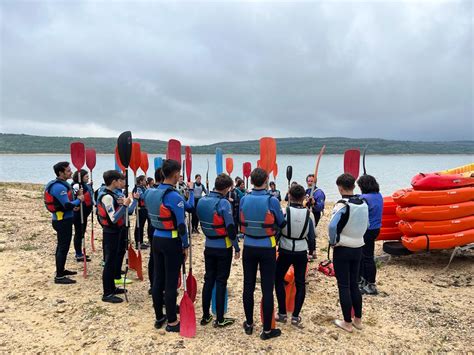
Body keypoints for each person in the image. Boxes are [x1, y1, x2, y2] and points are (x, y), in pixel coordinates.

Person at [144, 159, 194, 332]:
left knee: (158, 278)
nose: (180, 176)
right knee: (171, 282)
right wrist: (185, 245)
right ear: (175, 174)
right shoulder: (173, 196)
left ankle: (159, 316)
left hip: (156, 238)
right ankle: (172, 322)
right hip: (171, 241)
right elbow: (181, 225)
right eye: (179, 173)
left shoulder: (149, 192)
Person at [239, 168, 286, 340]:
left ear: (251, 181)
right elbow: (281, 222)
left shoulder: (244, 198)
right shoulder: (272, 200)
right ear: (266, 180)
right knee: (267, 289)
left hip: (249, 246)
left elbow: (240, 219)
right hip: (267, 247)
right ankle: (267, 330)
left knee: (248, 286)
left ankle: (249, 324)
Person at [197, 173, 240, 327]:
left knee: (208, 280)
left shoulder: (202, 200)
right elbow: (230, 227)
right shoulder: (224, 203)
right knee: (221, 281)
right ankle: (220, 319)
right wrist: (236, 247)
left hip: (208, 246)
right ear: (228, 188)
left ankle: (205, 316)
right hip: (223, 247)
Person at [328, 173, 368, 333]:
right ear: (353, 186)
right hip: (358, 246)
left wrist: (333, 241)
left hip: (343, 247)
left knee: (344, 285)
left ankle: (347, 322)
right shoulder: (363, 203)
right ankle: (358, 319)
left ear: (340, 187)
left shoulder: (341, 205)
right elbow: (368, 223)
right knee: (354, 284)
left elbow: (332, 226)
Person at [275, 184, 316, 327]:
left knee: (278, 279)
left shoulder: (284, 212)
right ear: (303, 197)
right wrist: (311, 252)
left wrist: (275, 244)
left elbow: (277, 231)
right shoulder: (308, 215)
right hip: (301, 252)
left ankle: (282, 313)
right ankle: (295, 316)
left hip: (285, 250)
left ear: (289, 196)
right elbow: (311, 237)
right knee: (300, 283)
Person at [97, 170, 138, 303]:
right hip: (110, 232)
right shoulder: (107, 197)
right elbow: (113, 218)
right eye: (120, 180)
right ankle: (107, 293)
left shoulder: (112, 195)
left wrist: (126, 203)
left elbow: (122, 212)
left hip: (116, 232)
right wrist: (125, 205)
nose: (122, 183)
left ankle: (112, 288)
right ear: (114, 181)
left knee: (113, 260)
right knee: (109, 262)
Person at [44, 162, 84, 284]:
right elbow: (66, 205)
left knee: (63, 247)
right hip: (62, 221)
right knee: (63, 247)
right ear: (61, 173)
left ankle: (61, 270)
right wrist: (79, 200)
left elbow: (66, 204)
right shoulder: (59, 187)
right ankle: (59, 276)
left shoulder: (62, 184)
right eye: (68, 171)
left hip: (63, 219)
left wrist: (74, 205)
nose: (71, 172)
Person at [357, 175, 383, 295]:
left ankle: (370, 284)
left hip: (366, 230)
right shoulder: (379, 196)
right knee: (365, 255)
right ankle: (364, 280)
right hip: (376, 229)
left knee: (366, 257)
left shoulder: (364, 198)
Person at [71, 169, 94, 262]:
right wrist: (76, 205)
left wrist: (89, 186)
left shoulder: (83, 185)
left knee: (81, 233)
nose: (88, 177)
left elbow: (85, 192)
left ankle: (80, 252)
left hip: (84, 214)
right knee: (79, 233)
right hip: (78, 214)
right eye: (86, 176)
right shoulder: (77, 185)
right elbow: (74, 196)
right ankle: (78, 254)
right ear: (80, 177)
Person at [133, 175, 149, 249]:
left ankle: (141, 242)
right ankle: (138, 243)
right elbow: (142, 197)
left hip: (144, 209)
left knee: (141, 226)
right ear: (141, 181)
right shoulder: (138, 189)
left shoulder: (143, 188)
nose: (146, 181)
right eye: (144, 180)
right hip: (140, 209)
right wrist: (148, 192)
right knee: (139, 226)